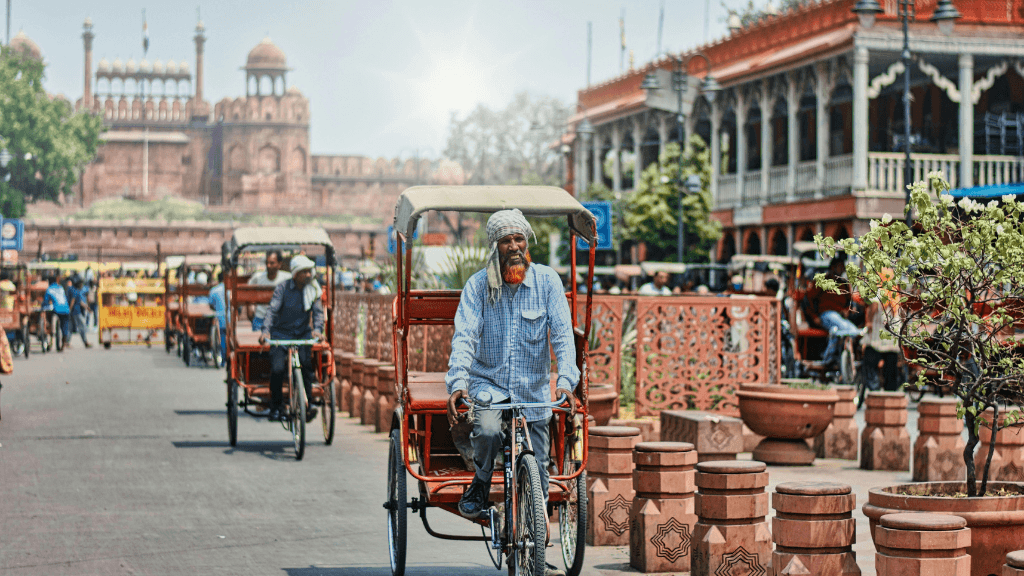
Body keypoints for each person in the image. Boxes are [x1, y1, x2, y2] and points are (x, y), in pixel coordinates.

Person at [445, 209, 579, 550]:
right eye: (507, 241)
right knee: (488, 430)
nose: (515, 246)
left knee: (542, 463)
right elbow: (465, 336)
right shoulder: (478, 286)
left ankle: (534, 530)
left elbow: (564, 337)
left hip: (533, 389)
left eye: (519, 239)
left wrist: (566, 381)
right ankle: (480, 480)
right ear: (495, 247)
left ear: (527, 243)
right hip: (489, 385)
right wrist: (458, 382)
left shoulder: (548, 282)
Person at [259, 255, 323, 423]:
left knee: (307, 367)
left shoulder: (313, 288)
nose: (309, 275)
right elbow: (272, 311)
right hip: (281, 334)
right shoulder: (283, 288)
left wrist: (318, 330)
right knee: (278, 369)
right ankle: (276, 407)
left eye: (309, 272)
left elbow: (318, 313)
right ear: (295, 274)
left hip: (302, 334)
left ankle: (306, 405)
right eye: (305, 272)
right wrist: (265, 332)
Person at [804, 256, 861, 369]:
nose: (842, 269)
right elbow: (808, 299)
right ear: (832, 267)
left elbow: (848, 303)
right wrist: (814, 316)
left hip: (839, 317)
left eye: (842, 267)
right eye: (840, 267)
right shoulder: (823, 280)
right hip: (826, 314)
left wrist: (846, 311)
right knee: (847, 330)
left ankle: (830, 360)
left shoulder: (844, 283)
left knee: (847, 331)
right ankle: (828, 359)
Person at [248, 250, 291, 332]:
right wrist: (250, 309)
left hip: (280, 321)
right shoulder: (257, 277)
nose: (268, 265)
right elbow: (248, 293)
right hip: (260, 319)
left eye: (272, 263)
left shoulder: (287, 278)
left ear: (279, 264)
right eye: (267, 263)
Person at [42, 275, 71, 346]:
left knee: (50, 319)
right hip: (66, 309)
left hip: (57, 310)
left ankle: (52, 333)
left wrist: (42, 306)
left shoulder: (49, 289)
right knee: (64, 325)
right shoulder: (61, 288)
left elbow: (45, 301)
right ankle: (64, 339)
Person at [208, 272, 227, 366]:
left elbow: (211, 305)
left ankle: (223, 361)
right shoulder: (231, 290)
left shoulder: (214, 290)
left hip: (219, 318)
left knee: (223, 338)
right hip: (231, 318)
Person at [67, 278, 91, 348]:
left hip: (72, 312)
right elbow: (73, 301)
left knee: (70, 328)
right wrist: (70, 309)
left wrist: (87, 307)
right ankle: (85, 342)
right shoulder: (75, 290)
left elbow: (79, 302)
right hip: (76, 312)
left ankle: (67, 342)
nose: (82, 285)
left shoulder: (71, 289)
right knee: (82, 327)